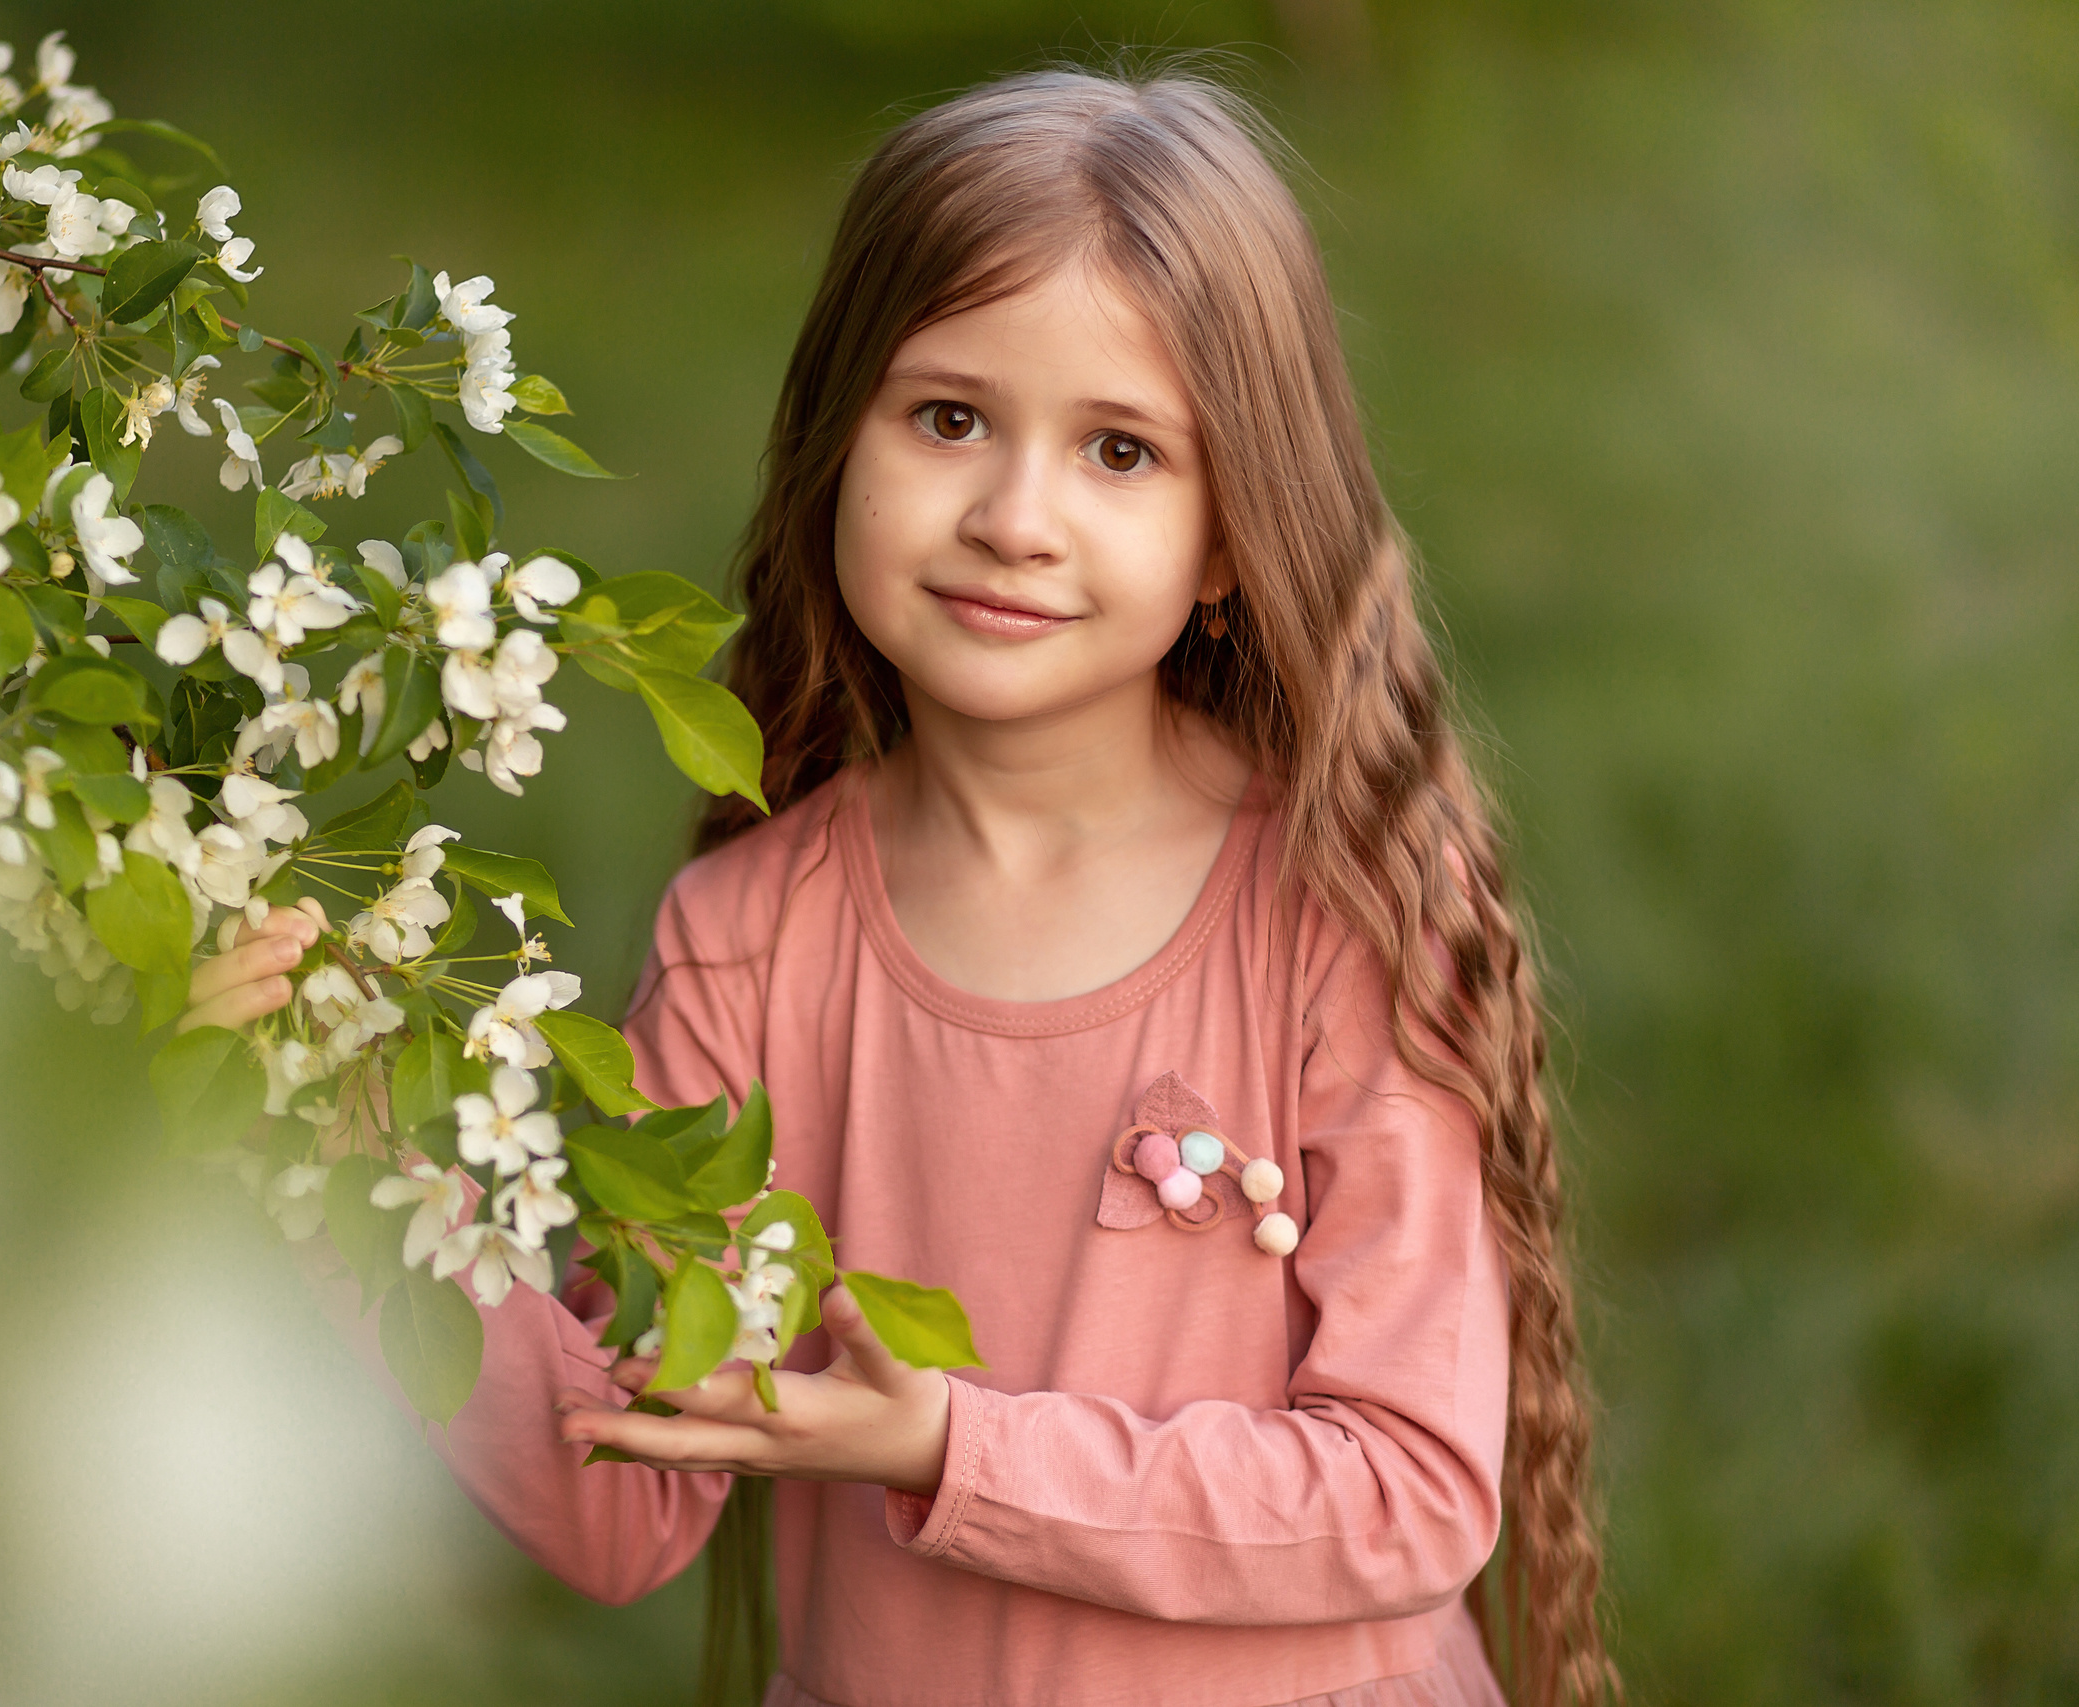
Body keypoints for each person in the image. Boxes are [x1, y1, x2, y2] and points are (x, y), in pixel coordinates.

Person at [188, 66, 1613, 1707]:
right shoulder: (750, 943)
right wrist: (334, 1150)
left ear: (1232, 532)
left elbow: (1412, 1494)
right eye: (948, 419)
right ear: (832, 444)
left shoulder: (1335, 909)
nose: (1015, 517)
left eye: (1121, 451)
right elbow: (620, 1488)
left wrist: (951, 1446)